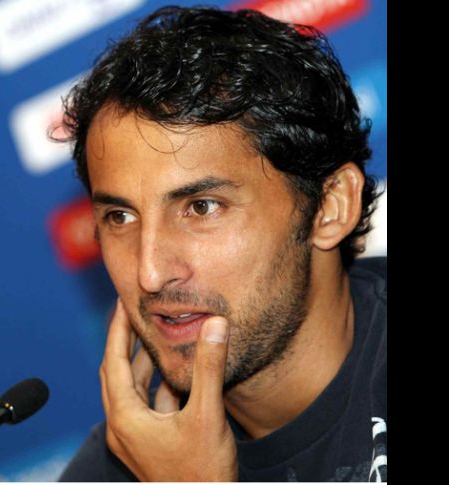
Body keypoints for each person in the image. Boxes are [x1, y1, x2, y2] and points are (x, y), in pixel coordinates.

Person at [55, 5, 386, 482]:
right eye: (120, 217)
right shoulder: (121, 469)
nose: (150, 273)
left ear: (330, 206)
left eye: (201, 207)